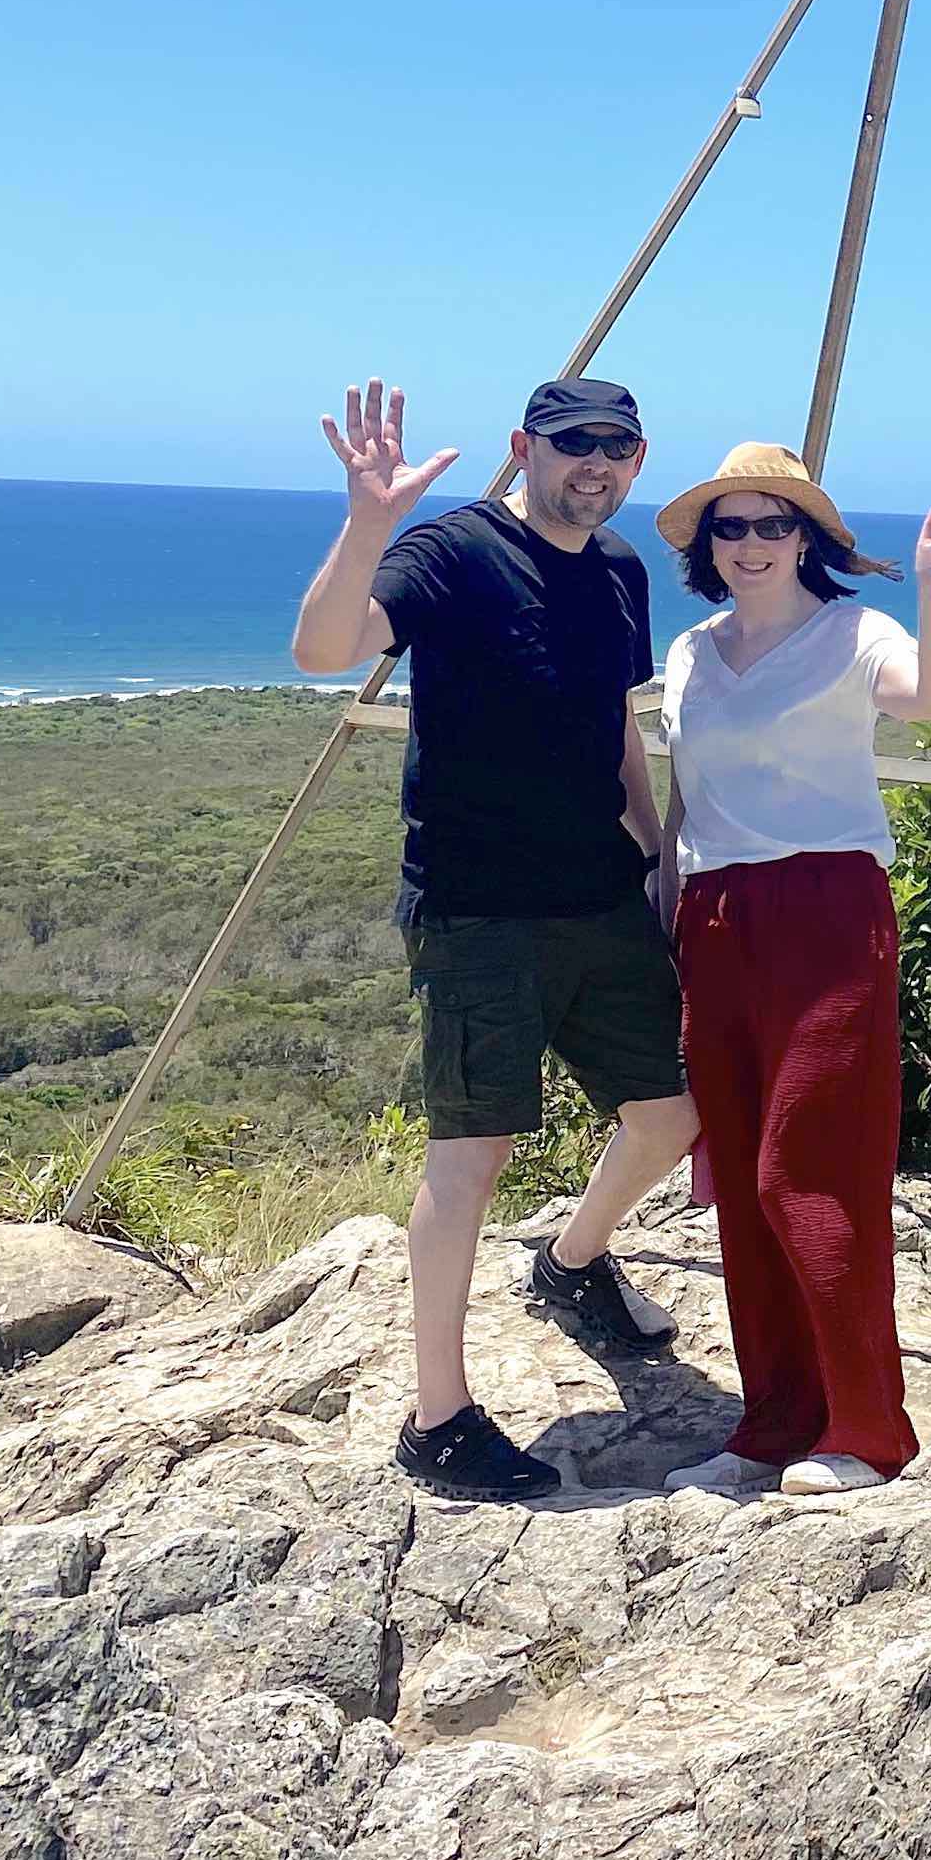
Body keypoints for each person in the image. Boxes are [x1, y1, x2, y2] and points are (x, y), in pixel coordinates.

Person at [293, 377, 705, 1502]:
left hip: (601, 895)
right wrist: (368, 517)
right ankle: (440, 1419)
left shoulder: (619, 570)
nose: (596, 465)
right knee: (470, 1158)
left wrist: (657, 847)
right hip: (479, 907)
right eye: (574, 445)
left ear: (637, 455)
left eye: (616, 447)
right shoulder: (453, 550)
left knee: (672, 1113)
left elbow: (613, 720)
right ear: (526, 447)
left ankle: (572, 1264)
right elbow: (325, 649)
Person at [646, 441, 931, 1498]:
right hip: (714, 921)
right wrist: (664, 915)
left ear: (810, 537)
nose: (751, 544)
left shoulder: (855, 633)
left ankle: (867, 1430)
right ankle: (775, 1425)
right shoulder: (692, 652)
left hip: (827, 913)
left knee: (803, 1169)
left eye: (774, 524)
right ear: (708, 544)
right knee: (744, 1194)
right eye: (732, 526)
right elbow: (683, 801)